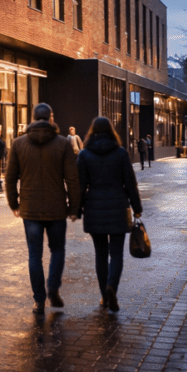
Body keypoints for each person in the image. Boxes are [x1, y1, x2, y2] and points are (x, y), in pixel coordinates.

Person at [5, 103, 81, 316]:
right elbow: (72, 178)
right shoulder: (63, 144)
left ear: (32, 118)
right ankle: (53, 287)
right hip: (56, 209)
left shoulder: (18, 144)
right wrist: (74, 206)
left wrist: (14, 203)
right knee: (57, 250)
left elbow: (10, 178)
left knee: (34, 255)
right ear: (50, 119)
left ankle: (39, 300)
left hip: (29, 209)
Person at [77, 116, 142, 313]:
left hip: (94, 208)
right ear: (111, 131)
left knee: (100, 254)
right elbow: (130, 183)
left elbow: (80, 186)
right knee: (116, 253)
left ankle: (104, 297)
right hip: (118, 206)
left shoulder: (85, 154)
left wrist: (77, 209)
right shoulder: (121, 153)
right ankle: (112, 287)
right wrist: (137, 207)